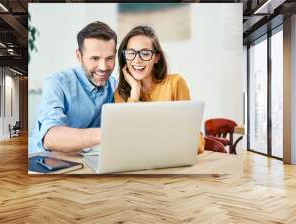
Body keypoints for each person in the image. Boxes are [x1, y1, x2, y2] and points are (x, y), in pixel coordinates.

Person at [30, 21, 117, 154]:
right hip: (47, 160)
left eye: (109, 58)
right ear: (79, 56)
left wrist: (134, 86)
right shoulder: (57, 83)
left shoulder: (115, 85)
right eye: (95, 58)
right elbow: (50, 138)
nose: (103, 67)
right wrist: (110, 134)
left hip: (87, 159)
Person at [114, 25, 205, 153]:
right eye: (131, 53)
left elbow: (196, 141)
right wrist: (135, 91)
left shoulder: (176, 83)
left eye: (145, 53)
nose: (137, 60)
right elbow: (126, 139)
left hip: (172, 160)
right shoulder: (121, 93)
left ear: (156, 57)